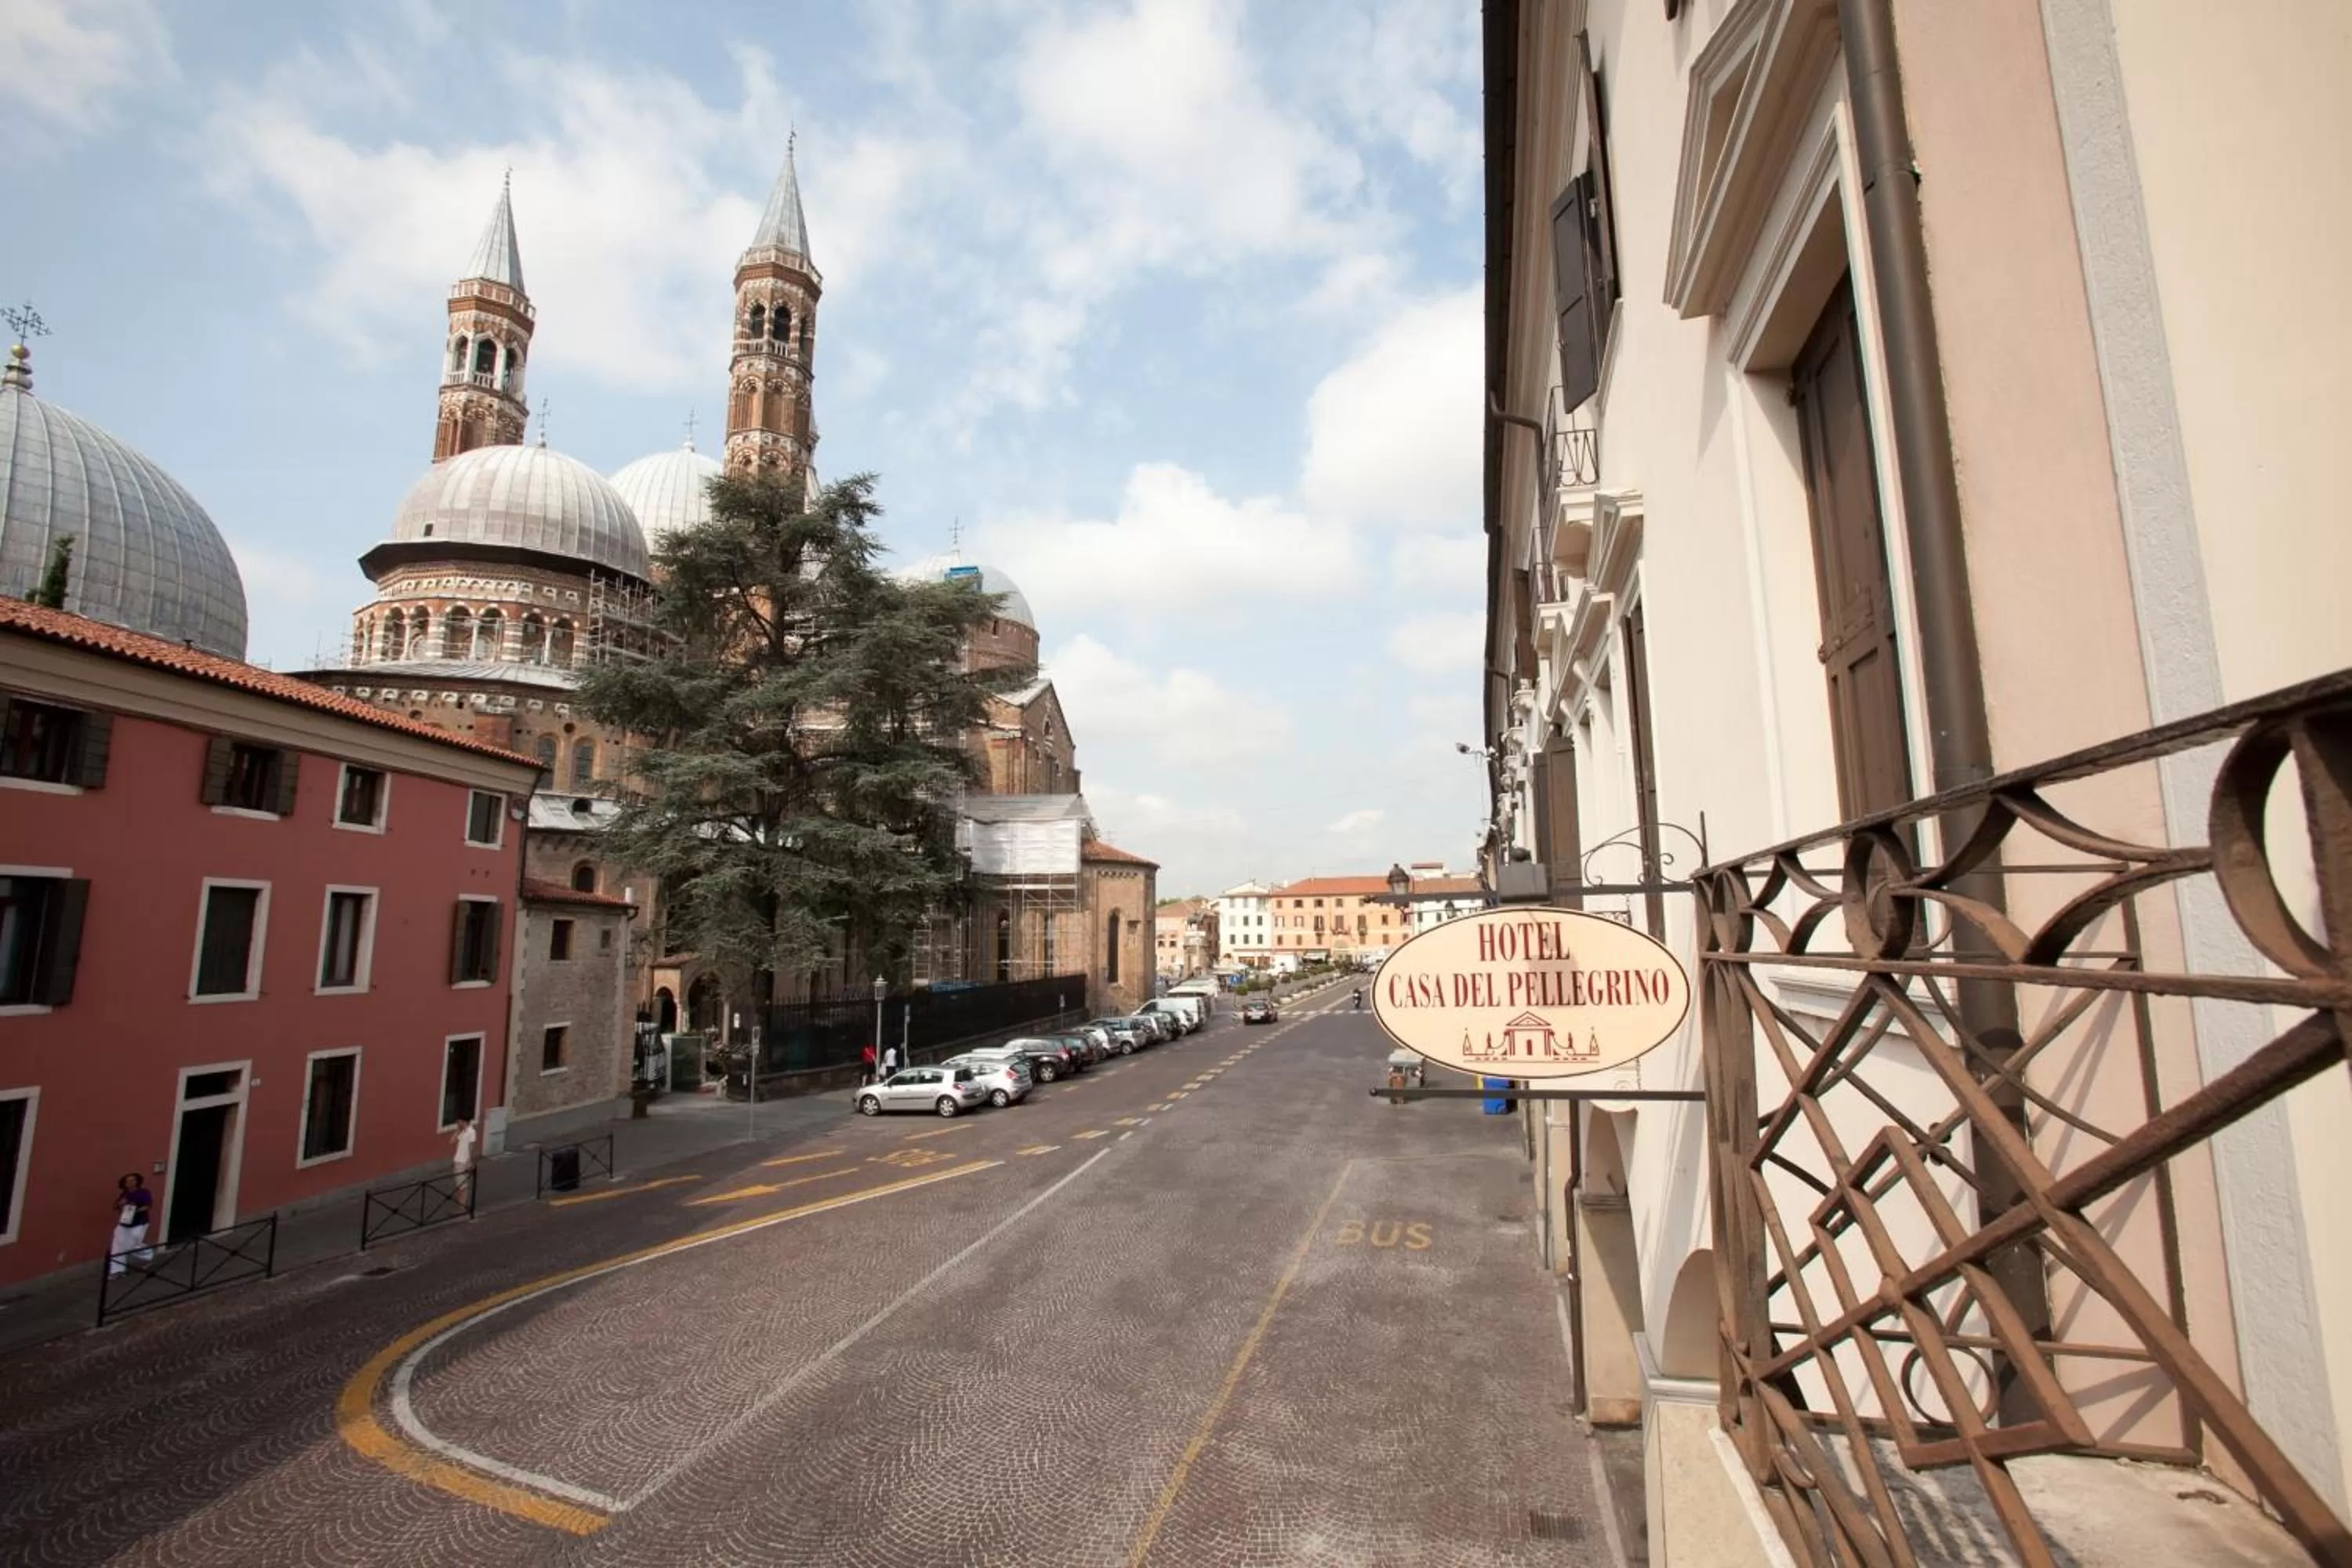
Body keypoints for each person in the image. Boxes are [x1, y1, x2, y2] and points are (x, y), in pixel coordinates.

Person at [107, 1173, 153, 1275]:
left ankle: (148, 1255)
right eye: (127, 1181)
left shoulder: (143, 1192)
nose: (130, 1182)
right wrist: (120, 1204)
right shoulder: (124, 1194)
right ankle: (117, 1270)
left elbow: (148, 1206)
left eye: (132, 1180)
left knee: (132, 1245)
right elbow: (115, 1207)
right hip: (124, 1223)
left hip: (139, 1222)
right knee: (117, 1244)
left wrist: (135, 1210)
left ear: (137, 1182)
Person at [450, 1116, 479, 1205]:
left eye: (459, 1121)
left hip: (463, 1162)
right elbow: (452, 1141)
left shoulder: (471, 1132)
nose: (457, 1123)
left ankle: (462, 1207)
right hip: (458, 1161)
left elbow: (471, 1146)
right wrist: (458, 1131)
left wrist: (469, 1161)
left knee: (463, 1186)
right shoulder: (462, 1132)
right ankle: (460, 1205)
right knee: (459, 1185)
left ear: (464, 1122)